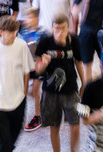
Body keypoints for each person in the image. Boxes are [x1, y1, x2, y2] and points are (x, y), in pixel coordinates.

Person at [0, 15, 35, 152]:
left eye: (15, 31)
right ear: (0, 32)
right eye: (9, 32)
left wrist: (23, 93)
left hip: (18, 100)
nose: (13, 35)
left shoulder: (21, 45)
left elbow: (26, 70)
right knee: (2, 142)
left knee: (13, 136)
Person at [34, 13, 84, 152]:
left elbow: (79, 62)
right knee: (54, 126)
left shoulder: (74, 40)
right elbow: (37, 70)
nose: (60, 32)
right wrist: (43, 65)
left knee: (75, 126)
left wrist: (84, 84)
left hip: (70, 89)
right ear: (52, 28)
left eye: (63, 28)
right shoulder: (45, 41)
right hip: (50, 92)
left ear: (69, 27)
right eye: (56, 28)